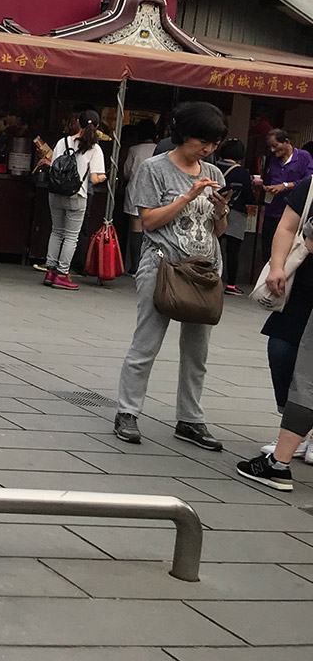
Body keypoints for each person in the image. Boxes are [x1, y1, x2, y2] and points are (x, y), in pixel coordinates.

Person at [112, 101, 229, 451]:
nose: (207, 150)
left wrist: (221, 211)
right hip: (163, 265)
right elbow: (148, 221)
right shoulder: (154, 169)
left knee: (197, 351)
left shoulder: (215, 173)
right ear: (184, 137)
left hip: (204, 271)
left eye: (214, 144)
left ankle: (190, 419)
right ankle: (127, 412)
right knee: (146, 343)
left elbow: (217, 230)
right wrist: (188, 196)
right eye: (202, 142)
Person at [238, 170, 313, 488]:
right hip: (302, 288)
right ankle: (295, 436)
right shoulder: (310, 184)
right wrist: (278, 265)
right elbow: (289, 226)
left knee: (308, 375)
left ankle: (281, 460)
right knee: (283, 351)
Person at [39, 109, 107, 291]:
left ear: (79, 122)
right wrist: (103, 177)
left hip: (55, 193)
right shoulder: (94, 148)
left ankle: (50, 270)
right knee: (71, 236)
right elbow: (94, 178)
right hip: (77, 195)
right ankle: (62, 274)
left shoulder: (63, 141)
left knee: (56, 232)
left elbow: (54, 165)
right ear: (97, 127)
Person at [260, 129, 313, 269]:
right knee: (267, 245)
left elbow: (308, 181)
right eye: (270, 147)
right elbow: (269, 179)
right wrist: (266, 187)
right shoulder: (273, 161)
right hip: (272, 209)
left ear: (287, 142)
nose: (272, 150)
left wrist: (285, 186)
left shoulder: (303, 157)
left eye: (275, 146)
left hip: (291, 212)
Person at [215, 139, 253, 294]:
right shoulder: (242, 172)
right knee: (233, 250)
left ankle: (209, 278)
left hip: (215, 210)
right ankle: (230, 285)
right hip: (236, 213)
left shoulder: (213, 167)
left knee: (213, 246)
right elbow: (249, 197)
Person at [122, 120, 159, 274]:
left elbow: (126, 172)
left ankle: (134, 266)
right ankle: (149, 265)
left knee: (136, 227)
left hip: (135, 190)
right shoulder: (161, 150)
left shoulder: (134, 150)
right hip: (155, 192)